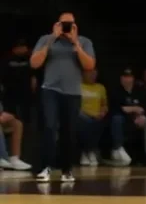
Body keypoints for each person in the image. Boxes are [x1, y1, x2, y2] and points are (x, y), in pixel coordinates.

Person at [29, 11, 96, 183]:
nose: (66, 28)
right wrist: (53, 38)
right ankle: (46, 167)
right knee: (50, 127)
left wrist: (75, 43)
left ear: (75, 26)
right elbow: (34, 63)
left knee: (69, 131)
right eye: (63, 24)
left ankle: (67, 169)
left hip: (72, 92)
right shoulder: (46, 39)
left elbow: (89, 66)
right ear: (57, 24)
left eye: (69, 25)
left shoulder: (84, 41)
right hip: (50, 89)